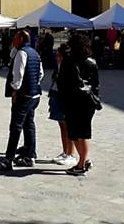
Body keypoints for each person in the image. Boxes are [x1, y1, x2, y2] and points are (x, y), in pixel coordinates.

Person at [0, 28, 44, 170]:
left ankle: (8, 159)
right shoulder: (35, 53)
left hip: (24, 95)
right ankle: (30, 155)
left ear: (21, 39)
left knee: (16, 127)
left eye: (16, 38)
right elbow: (40, 74)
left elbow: (18, 74)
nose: (13, 40)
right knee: (29, 124)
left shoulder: (22, 53)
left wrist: (15, 90)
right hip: (35, 95)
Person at [57, 32, 100, 175]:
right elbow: (96, 84)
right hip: (88, 102)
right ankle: (84, 159)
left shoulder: (68, 61)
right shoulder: (92, 62)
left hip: (73, 101)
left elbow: (61, 82)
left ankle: (81, 164)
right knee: (84, 132)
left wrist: (62, 99)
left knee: (74, 133)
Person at [48, 44, 76, 165]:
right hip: (56, 95)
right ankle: (65, 151)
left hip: (64, 98)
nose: (56, 57)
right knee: (61, 125)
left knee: (67, 126)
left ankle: (70, 153)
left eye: (58, 54)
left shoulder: (69, 67)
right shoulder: (59, 66)